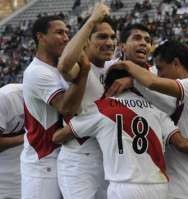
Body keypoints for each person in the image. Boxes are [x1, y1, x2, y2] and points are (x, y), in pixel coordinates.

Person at [53, 67, 188, 199]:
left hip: (124, 186)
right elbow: (182, 143)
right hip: (158, 187)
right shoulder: (156, 110)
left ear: (109, 85)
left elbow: (59, 137)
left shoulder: (101, 109)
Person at [107, 26, 188, 198]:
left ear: (176, 63)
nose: (159, 74)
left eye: (160, 68)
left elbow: (150, 83)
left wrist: (126, 68)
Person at [22, 15, 90, 199]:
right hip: (42, 162)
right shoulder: (37, 72)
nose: (66, 38)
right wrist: (84, 72)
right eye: (59, 32)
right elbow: (66, 108)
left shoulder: (61, 69)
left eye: (68, 32)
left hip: (62, 156)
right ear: (40, 37)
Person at [54, 4, 112, 198]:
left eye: (112, 37)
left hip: (108, 157)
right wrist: (92, 20)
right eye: (102, 36)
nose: (109, 42)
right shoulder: (80, 69)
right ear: (86, 42)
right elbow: (64, 66)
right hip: (79, 159)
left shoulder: (114, 68)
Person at [0, 83, 24, 199]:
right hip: (5, 180)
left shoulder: (52, 98)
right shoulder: (7, 97)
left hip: (30, 172)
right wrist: (26, 138)